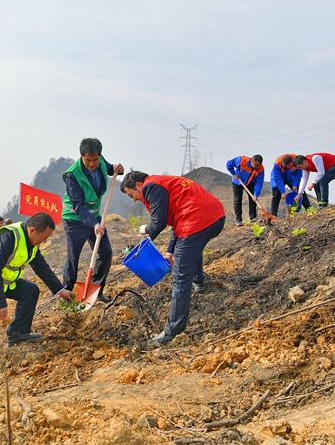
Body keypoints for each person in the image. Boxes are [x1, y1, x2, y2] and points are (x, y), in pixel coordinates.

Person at [0, 213, 73, 380]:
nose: (45, 241)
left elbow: (41, 267)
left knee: (30, 291)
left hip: (2, 282)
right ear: (33, 230)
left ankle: (17, 334)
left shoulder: (31, 243)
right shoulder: (8, 237)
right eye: (44, 237)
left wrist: (60, 290)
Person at [120, 171, 225, 345]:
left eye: (132, 195)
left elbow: (158, 223)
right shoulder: (163, 182)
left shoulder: (150, 187)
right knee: (193, 246)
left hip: (196, 219)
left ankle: (172, 331)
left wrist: (145, 229)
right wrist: (169, 252)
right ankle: (199, 283)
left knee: (180, 275)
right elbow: (176, 222)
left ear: (138, 185)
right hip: (215, 216)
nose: (135, 200)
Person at [61, 138, 124, 303]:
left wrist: (118, 168)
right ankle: (67, 293)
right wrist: (94, 224)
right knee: (73, 256)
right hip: (74, 219)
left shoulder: (100, 162)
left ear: (99, 156)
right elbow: (78, 205)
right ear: (81, 156)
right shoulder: (72, 175)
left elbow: (111, 169)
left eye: (95, 159)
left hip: (95, 217)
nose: (91, 164)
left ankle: (96, 290)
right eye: (87, 160)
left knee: (106, 252)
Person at [226, 155, 264, 226]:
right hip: (238, 181)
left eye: (259, 165)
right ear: (252, 161)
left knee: (253, 198)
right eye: (256, 165)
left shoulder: (261, 169)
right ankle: (238, 220)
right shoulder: (242, 160)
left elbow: (259, 182)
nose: (257, 167)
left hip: (250, 182)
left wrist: (256, 194)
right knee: (237, 200)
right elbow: (229, 164)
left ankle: (253, 218)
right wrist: (234, 174)